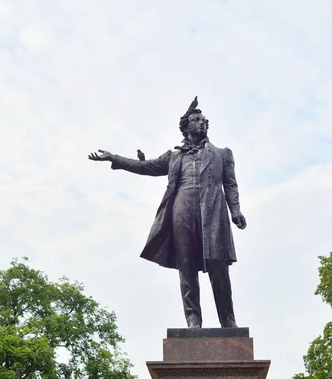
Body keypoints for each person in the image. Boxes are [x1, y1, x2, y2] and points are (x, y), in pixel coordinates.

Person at [88, 97, 246, 328]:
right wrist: (115, 158)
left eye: (203, 121)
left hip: (213, 213)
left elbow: (230, 184)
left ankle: (228, 323)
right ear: (186, 126)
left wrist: (236, 210)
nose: (201, 123)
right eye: (196, 120)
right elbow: (145, 167)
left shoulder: (222, 154)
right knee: (186, 267)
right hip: (181, 211)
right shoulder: (174, 156)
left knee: (218, 267)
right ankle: (193, 322)